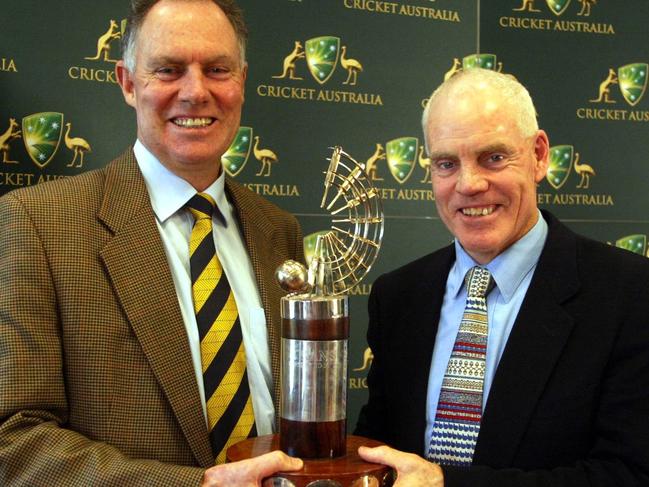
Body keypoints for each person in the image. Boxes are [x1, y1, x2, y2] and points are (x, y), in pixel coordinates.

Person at [0, 0, 305, 485]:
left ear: (242, 81)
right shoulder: (39, 225)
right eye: (168, 69)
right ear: (126, 81)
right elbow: (12, 439)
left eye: (217, 69)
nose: (196, 92)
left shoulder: (278, 231)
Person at [355, 68, 649, 486]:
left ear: (539, 155)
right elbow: (379, 451)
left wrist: (445, 484)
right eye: (446, 164)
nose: (469, 184)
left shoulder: (630, 294)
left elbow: (630, 474)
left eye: (493, 157)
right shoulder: (398, 296)